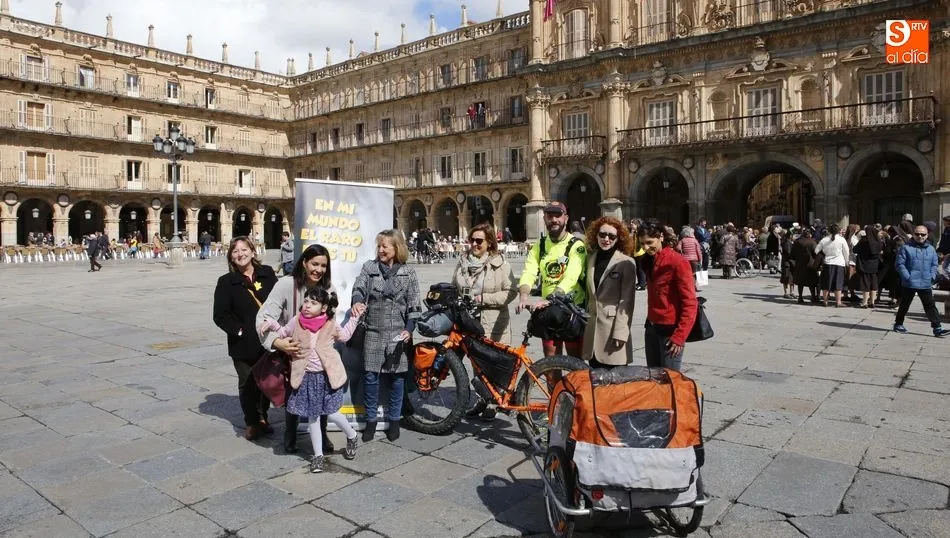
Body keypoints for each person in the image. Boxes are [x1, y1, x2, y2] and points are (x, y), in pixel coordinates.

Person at [260, 288, 361, 472]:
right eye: (306, 301)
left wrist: (354, 318)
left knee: (332, 413)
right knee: (313, 416)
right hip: (306, 377)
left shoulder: (330, 324)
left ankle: (352, 435)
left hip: (327, 377)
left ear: (323, 308)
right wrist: (272, 324)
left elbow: (345, 336)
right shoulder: (296, 320)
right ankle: (318, 456)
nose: (307, 305)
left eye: (313, 303)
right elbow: (284, 332)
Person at [257, 244, 337, 454]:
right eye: (314, 264)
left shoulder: (329, 290)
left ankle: (322, 431)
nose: (318, 269)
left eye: (323, 265)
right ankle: (290, 432)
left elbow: (331, 321)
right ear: (304, 262)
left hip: (318, 354)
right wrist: (277, 342)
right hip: (292, 350)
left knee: (320, 392)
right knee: (293, 392)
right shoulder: (286, 284)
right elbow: (264, 317)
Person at [351, 230, 422, 443]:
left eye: (385, 246)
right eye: (379, 246)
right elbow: (358, 287)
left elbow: (414, 305)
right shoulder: (369, 268)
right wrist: (356, 301)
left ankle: (394, 421)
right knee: (371, 377)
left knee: (397, 379)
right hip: (373, 330)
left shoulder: (408, 273)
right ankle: (371, 421)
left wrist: (409, 330)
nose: (381, 250)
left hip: (397, 334)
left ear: (397, 248)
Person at [213, 236, 279, 440]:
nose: (240, 254)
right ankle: (251, 421)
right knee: (247, 382)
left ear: (252, 251)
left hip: (267, 340)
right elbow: (220, 315)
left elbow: (280, 300)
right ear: (231, 257)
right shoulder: (226, 282)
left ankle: (263, 418)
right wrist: (239, 331)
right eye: (235, 251)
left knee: (267, 382)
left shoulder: (267, 274)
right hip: (242, 344)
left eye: (244, 249)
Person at [452, 223, 517, 420]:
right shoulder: (462, 262)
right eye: (472, 240)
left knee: (494, 364)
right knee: (477, 364)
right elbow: (454, 287)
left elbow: (511, 292)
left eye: (479, 241)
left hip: (493, 321)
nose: (474, 244)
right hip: (470, 321)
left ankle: (497, 401)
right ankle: (483, 399)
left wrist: (484, 299)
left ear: (489, 243)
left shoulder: (501, 264)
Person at [516, 202, 588, 358]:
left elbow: (571, 277)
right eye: (550, 216)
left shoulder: (577, 245)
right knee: (550, 362)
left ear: (566, 218)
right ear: (544, 219)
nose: (554, 219)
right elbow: (529, 271)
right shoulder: (539, 245)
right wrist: (523, 296)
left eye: (558, 215)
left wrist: (551, 298)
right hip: (549, 311)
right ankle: (553, 384)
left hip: (572, 310)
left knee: (575, 364)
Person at [636, 223, 698, 371]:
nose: (645, 248)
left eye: (649, 242)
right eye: (642, 243)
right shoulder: (647, 260)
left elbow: (690, 302)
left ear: (661, 237)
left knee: (671, 380)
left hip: (671, 331)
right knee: (653, 378)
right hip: (651, 327)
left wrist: (680, 336)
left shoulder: (678, 262)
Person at [582, 217, 638, 369]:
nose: (606, 239)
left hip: (613, 330)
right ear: (596, 235)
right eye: (602, 234)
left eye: (612, 236)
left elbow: (627, 301)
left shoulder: (626, 262)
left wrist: (621, 332)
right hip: (592, 331)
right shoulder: (590, 259)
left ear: (618, 239)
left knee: (615, 386)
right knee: (595, 383)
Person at [893, 225, 949, 337]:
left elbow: (934, 264)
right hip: (910, 282)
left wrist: (932, 276)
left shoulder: (931, 249)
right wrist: (907, 276)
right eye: (917, 234)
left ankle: (937, 328)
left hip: (925, 282)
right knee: (905, 304)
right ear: (913, 234)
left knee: (930, 305)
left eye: (923, 234)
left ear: (927, 235)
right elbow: (899, 264)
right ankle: (898, 324)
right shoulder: (906, 248)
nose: (920, 236)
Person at [815, 224, 850, 307]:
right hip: (839, 263)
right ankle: (838, 302)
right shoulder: (842, 239)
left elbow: (816, 250)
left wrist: (824, 253)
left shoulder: (824, 240)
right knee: (838, 283)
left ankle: (825, 301)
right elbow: (846, 252)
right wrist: (846, 262)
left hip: (828, 263)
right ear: (838, 231)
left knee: (826, 283)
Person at [853, 225, 882, 308]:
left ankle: (864, 302)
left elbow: (855, 249)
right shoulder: (878, 240)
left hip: (864, 264)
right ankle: (872, 302)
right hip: (874, 265)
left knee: (865, 284)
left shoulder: (864, 240)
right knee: (874, 284)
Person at [791, 228, 819, 304]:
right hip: (810, 264)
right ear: (809, 234)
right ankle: (813, 297)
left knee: (800, 282)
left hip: (800, 264)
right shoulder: (812, 242)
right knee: (812, 282)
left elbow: (792, 254)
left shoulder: (797, 242)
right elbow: (816, 253)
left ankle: (800, 297)